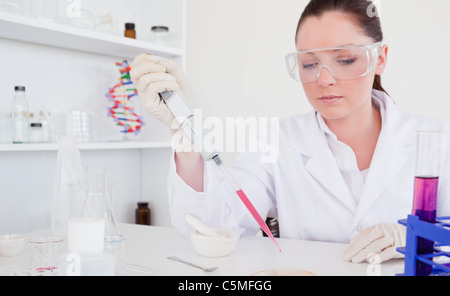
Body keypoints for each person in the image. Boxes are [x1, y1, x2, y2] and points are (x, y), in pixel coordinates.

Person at [130, 0, 450, 264]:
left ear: (379, 58)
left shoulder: (437, 139)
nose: (324, 79)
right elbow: (213, 225)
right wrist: (184, 129)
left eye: (345, 59)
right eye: (309, 64)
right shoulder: (278, 140)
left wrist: (418, 239)